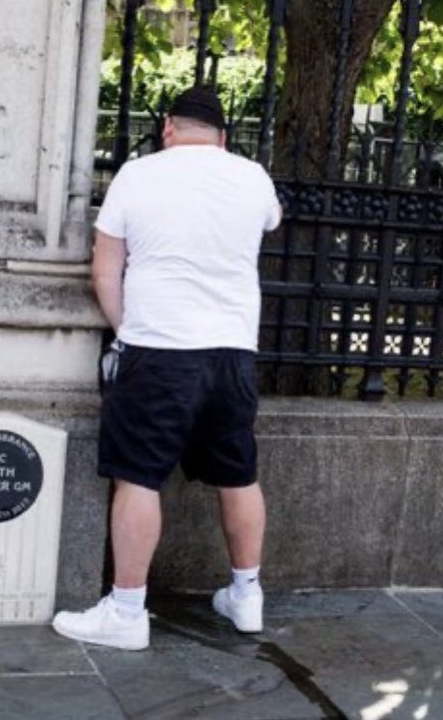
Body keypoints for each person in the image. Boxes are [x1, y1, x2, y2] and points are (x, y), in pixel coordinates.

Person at [52, 86, 282, 651]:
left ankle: (128, 610)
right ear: (223, 137)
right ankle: (246, 594)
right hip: (232, 351)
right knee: (239, 473)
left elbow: (105, 272)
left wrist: (128, 330)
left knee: (138, 474)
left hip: (158, 348)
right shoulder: (253, 177)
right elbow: (269, 224)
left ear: (168, 129)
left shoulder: (138, 174)